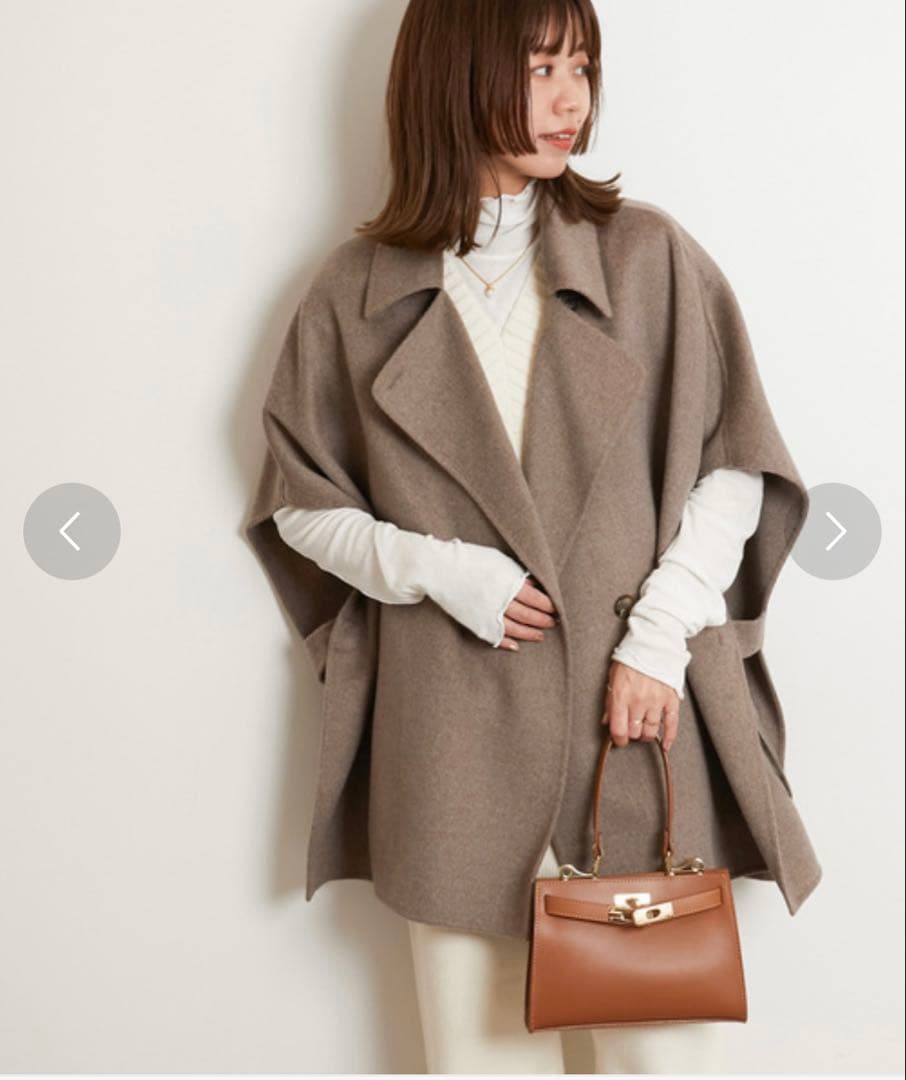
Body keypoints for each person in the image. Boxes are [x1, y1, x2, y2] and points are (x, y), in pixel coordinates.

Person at [245, 0, 822, 1071]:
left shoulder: (646, 257)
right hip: (451, 739)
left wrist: (657, 638)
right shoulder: (353, 293)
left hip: (630, 722)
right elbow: (301, 505)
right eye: (540, 68)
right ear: (453, 76)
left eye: (582, 67)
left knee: (656, 1058)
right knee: (476, 1060)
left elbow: (734, 465)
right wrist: (439, 571)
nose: (571, 101)